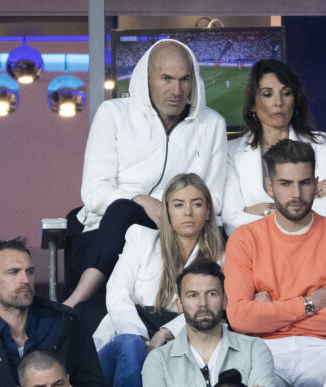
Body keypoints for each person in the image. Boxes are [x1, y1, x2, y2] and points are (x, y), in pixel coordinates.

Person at [64, 38, 227, 307]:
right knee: (121, 209)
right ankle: (77, 304)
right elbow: (94, 191)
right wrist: (139, 200)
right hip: (109, 225)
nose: (177, 90)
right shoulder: (113, 114)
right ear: (146, 78)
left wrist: (169, 208)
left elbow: (215, 197)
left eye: (184, 79)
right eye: (166, 78)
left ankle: (73, 303)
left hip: (176, 225)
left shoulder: (212, 124)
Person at [224, 139, 326, 386]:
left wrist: (270, 312)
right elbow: (239, 317)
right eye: (285, 184)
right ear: (270, 186)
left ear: (315, 183)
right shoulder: (244, 239)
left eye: (305, 183)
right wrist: (309, 304)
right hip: (262, 348)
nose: (296, 194)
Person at [92, 173, 224, 386]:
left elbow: (212, 308)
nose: (188, 212)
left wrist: (164, 333)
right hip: (123, 343)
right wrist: (142, 340)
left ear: (208, 211)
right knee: (130, 345)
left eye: (197, 204)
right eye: (178, 205)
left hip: (177, 345)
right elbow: (117, 290)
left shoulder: (221, 257)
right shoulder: (141, 237)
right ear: (167, 211)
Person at [222, 59, 326, 236]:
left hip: (309, 243)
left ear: (295, 99)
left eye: (286, 93)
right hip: (255, 249)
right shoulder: (231, 152)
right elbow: (232, 220)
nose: (279, 102)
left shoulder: (319, 144)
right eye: (268, 94)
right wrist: (300, 207)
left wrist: (265, 209)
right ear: (253, 104)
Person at [142, 259, 274, 387]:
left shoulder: (254, 350)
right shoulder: (158, 361)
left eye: (211, 294)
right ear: (179, 305)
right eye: (193, 295)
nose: (203, 304)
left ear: (224, 300)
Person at [0, 237, 105, 387]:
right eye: (13, 272)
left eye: (30, 271)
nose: (26, 280)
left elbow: (91, 383)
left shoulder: (66, 322)